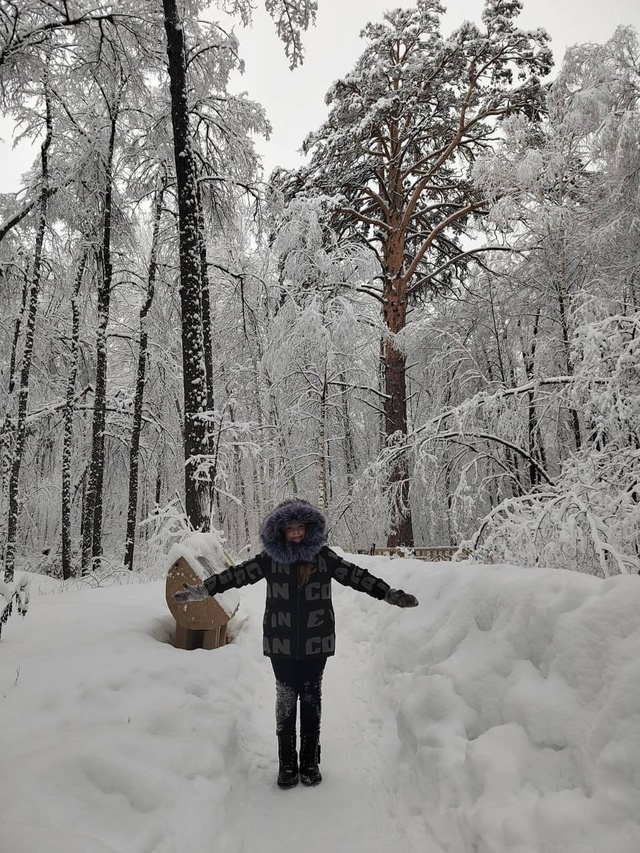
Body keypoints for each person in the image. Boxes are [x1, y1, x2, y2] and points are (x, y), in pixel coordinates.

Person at [174, 499, 418, 789]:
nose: (296, 534)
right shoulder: (270, 561)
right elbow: (235, 576)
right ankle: (287, 764)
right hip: (282, 643)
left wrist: (388, 593)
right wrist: (203, 590)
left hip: (317, 642)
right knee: (287, 701)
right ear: (281, 532)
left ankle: (310, 762)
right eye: (290, 529)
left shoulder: (324, 558)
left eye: (300, 528)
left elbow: (357, 577)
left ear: (309, 529)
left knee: (311, 699)